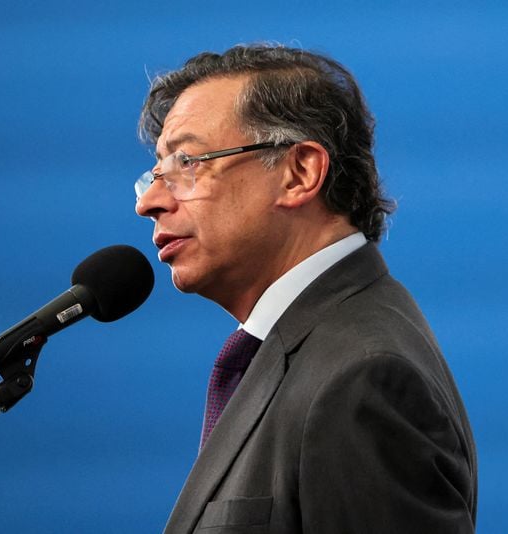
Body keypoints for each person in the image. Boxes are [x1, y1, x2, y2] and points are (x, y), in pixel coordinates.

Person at [135, 44, 477, 533]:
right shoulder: (310, 349)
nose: (149, 201)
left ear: (299, 173)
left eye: (187, 161)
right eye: (155, 173)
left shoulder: (362, 378)